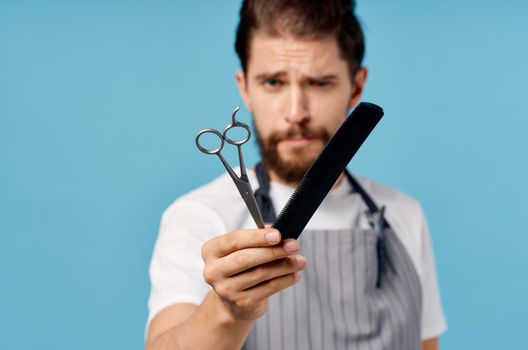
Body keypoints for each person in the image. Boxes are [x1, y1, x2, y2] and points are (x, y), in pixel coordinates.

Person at [145, 0, 447, 349]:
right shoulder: (199, 216)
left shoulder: (403, 215)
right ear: (245, 88)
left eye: (319, 83)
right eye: (273, 81)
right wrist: (229, 311)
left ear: (357, 86)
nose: (295, 112)